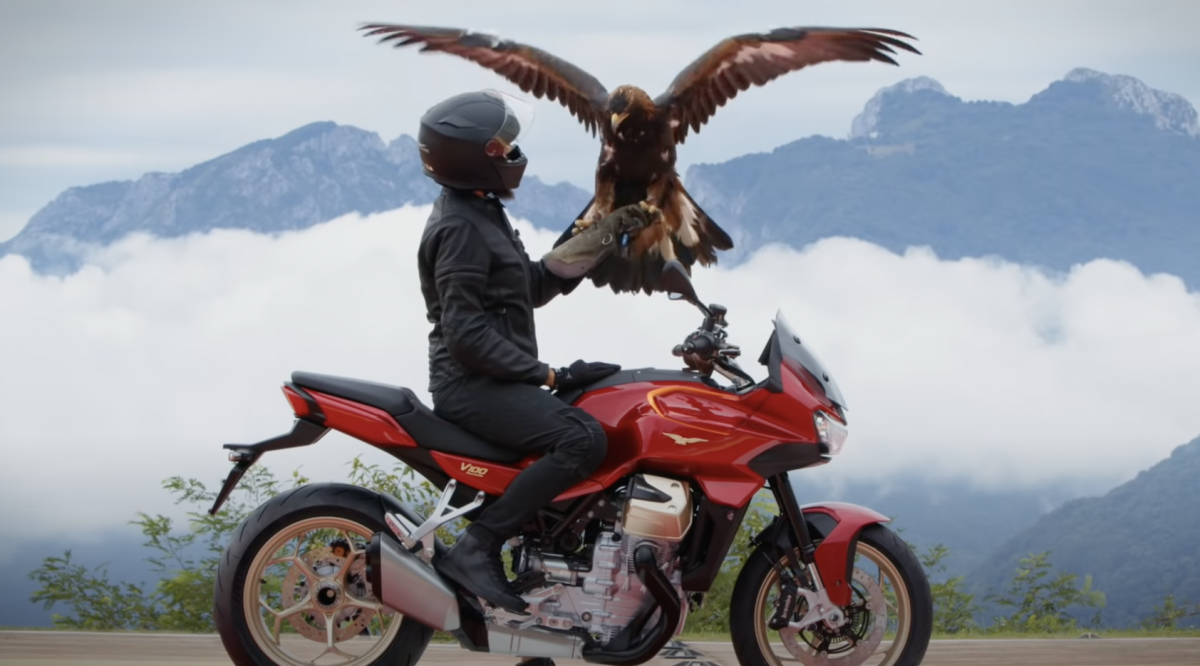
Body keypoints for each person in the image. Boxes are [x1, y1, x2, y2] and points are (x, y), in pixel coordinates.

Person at [414, 89, 653, 614]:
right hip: (470, 385)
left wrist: (603, 228)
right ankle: (477, 550)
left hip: (497, 379)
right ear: (474, 155)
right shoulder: (459, 228)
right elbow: (465, 335)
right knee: (582, 439)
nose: (513, 153)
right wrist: (547, 374)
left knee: (599, 406)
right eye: (503, 146)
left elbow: (530, 285)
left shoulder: (480, 210)